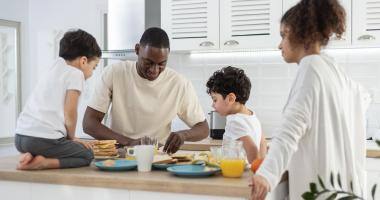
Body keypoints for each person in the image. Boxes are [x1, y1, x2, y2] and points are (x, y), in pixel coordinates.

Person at [250, 0, 370, 199]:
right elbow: (363, 97)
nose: (279, 45)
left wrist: (267, 174)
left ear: (302, 34)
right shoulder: (332, 69)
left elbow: (290, 129)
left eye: (283, 35)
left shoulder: (311, 68)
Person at [83, 27, 208, 154]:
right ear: (137, 50)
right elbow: (89, 123)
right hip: (120, 155)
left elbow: (203, 128)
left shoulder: (180, 84)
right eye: (148, 62)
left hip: (159, 158)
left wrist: (183, 135)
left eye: (161, 64)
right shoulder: (114, 73)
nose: (154, 70)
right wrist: (130, 142)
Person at [15, 29, 101, 170]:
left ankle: (31, 155)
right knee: (87, 154)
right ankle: (43, 163)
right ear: (84, 61)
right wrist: (72, 138)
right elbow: (70, 113)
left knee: (60, 147)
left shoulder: (54, 67)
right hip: (41, 140)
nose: (92, 73)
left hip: (20, 138)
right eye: (94, 67)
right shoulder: (75, 74)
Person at [206, 66, 266, 163]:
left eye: (215, 99)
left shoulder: (234, 121)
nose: (213, 105)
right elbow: (262, 142)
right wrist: (260, 167)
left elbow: (252, 148)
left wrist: (254, 172)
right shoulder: (252, 115)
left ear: (230, 99)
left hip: (237, 173)